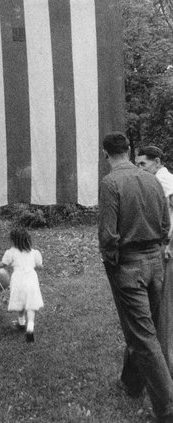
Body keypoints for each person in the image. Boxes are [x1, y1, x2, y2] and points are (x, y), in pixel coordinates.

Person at [98, 132, 173, 423]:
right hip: (156, 262)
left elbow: (108, 235)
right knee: (146, 326)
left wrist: (112, 260)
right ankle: (132, 381)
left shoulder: (110, 183)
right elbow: (167, 223)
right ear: (128, 150)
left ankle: (167, 408)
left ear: (106, 154)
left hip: (129, 265)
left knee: (143, 335)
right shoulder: (152, 179)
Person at [137, 146, 173, 374]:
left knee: (164, 309)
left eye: (143, 164)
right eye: (137, 164)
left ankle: (166, 365)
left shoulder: (163, 180)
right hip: (160, 246)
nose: (140, 169)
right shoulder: (158, 179)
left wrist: (169, 245)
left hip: (166, 248)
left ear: (157, 161)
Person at [0, 226, 43, 343]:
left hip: (18, 279)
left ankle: (21, 322)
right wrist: (40, 266)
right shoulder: (34, 253)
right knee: (31, 304)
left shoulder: (10, 252)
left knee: (21, 301)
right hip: (31, 278)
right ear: (27, 239)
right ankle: (30, 327)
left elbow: (3, 264)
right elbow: (40, 265)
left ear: (13, 240)